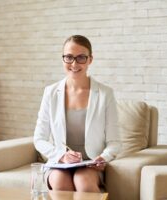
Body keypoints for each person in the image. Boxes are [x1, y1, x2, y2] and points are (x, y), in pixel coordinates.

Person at [34, 35, 121, 192]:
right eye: (69, 57)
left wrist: (104, 157)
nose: (74, 63)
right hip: (60, 163)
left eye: (81, 57)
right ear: (63, 59)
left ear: (90, 60)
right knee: (60, 183)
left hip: (90, 163)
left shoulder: (105, 94)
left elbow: (115, 141)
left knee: (83, 182)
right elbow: (39, 139)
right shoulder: (50, 93)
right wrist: (61, 155)